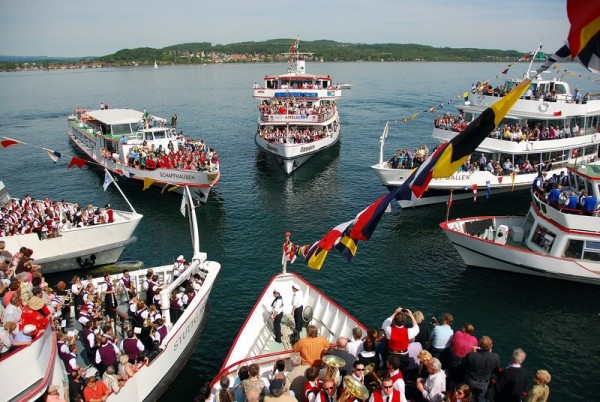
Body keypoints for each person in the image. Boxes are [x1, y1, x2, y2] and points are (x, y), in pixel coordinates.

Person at [382, 307, 420, 376]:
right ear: (404, 321)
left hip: (392, 355)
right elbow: (416, 327)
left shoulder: (390, 331)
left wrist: (395, 312)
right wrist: (411, 315)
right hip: (404, 356)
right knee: (403, 373)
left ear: (395, 320)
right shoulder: (408, 332)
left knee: (391, 373)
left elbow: (386, 322)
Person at [461, 336, 500, 402]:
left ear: (480, 345)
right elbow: (496, 369)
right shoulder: (495, 357)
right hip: (484, 383)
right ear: (490, 346)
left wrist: (471, 352)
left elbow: (463, 363)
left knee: (468, 397)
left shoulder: (472, 355)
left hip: (471, 380)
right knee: (481, 399)